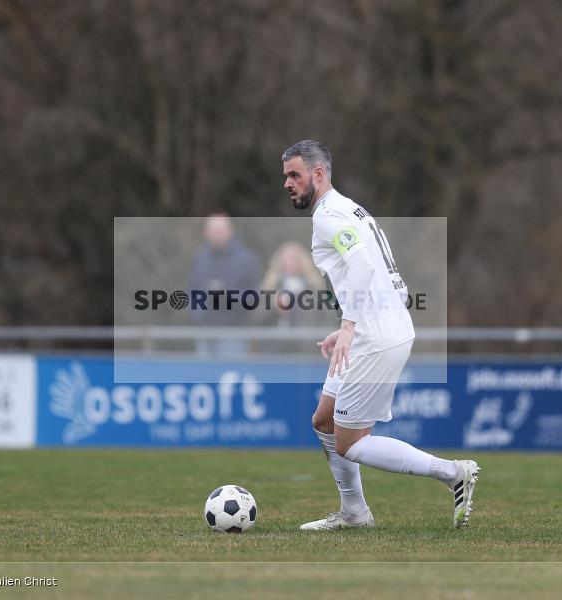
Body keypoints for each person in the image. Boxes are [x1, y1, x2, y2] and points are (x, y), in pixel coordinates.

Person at [281, 139, 479, 530]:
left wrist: (352, 325)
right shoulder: (349, 208)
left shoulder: (328, 216)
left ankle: (454, 472)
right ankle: (354, 513)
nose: (287, 183)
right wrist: (347, 328)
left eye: (294, 175)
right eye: (285, 176)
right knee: (324, 420)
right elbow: (386, 277)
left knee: (350, 443)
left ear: (318, 174)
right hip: (377, 327)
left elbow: (362, 267)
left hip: (374, 336)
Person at [189, 214, 261, 357]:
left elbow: (255, 297)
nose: (217, 234)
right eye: (213, 230)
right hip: (204, 333)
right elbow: (192, 291)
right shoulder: (200, 259)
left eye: (220, 230)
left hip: (234, 334)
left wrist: (226, 296)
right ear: (206, 233)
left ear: (230, 231)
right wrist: (197, 313)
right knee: (205, 377)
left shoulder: (246, 260)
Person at [257, 241, 332, 353]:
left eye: (293, 259)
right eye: (285, 260)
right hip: (273, 349)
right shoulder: (269, 286)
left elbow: (328, 318)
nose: (289, 263)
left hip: (307, 349)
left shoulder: (315, 287)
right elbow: (255, 317)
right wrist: (273, 306)